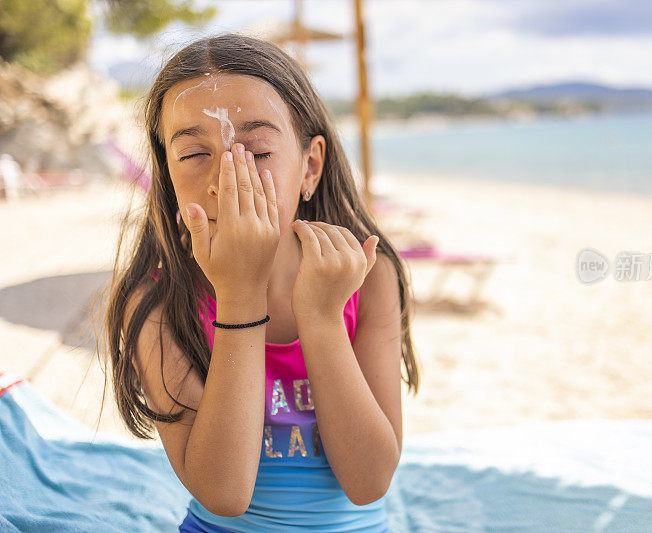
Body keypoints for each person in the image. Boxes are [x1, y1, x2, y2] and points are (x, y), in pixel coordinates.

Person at [102, 33, 420, 532]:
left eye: (257, 150)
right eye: (192, 155)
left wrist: (321, 317)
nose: (226, 179)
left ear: (309, 167)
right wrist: (240, 294)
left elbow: (370, 481)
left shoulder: (367, 276)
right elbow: (224, 494)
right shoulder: (157, 302)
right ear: (166, 173)